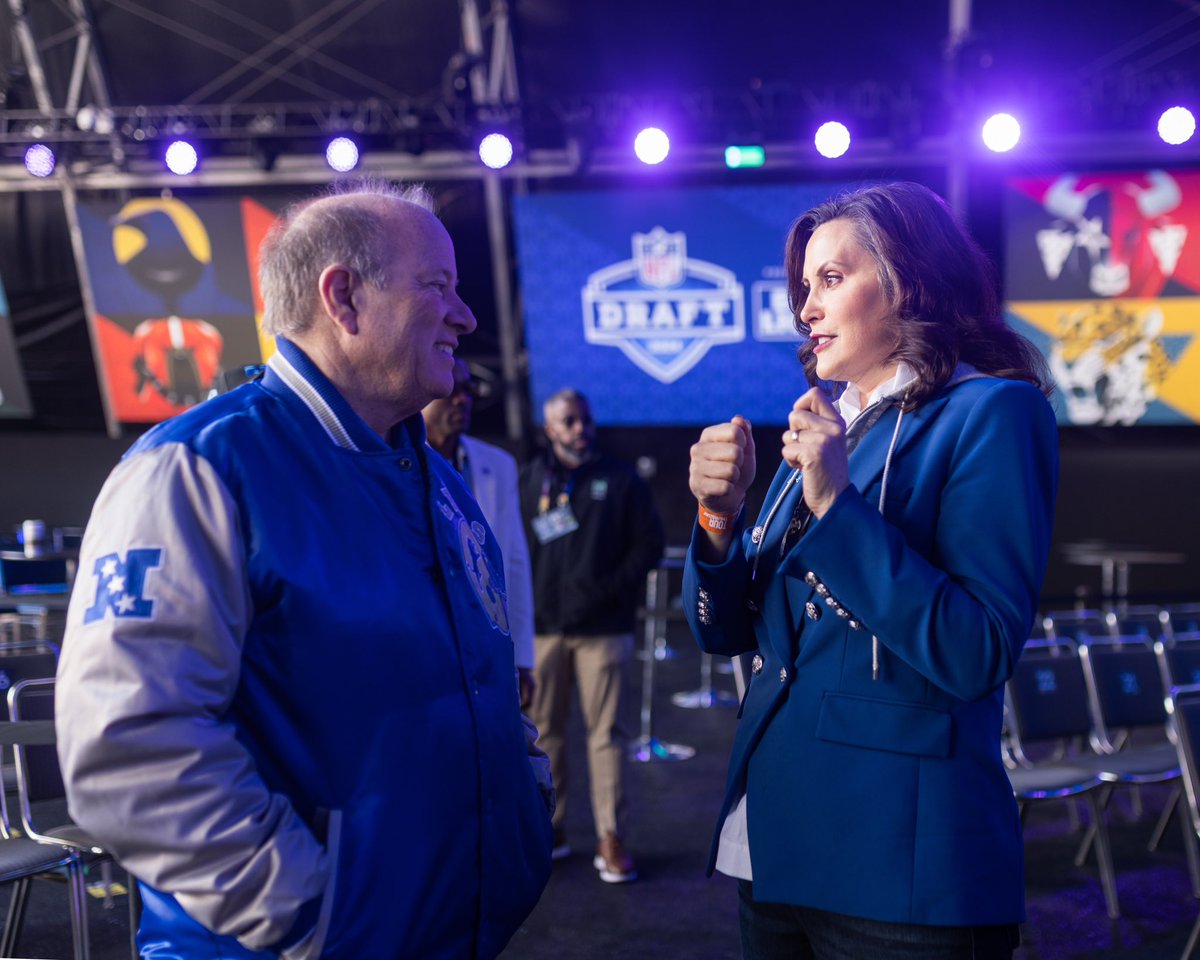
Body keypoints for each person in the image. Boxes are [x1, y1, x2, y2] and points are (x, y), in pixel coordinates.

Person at [56, 179, 554, 959]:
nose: (465, 316)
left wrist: (525, 798)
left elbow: (480, 677)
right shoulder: (197, 468)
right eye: (438, 288)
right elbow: (132, 746)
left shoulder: (440, 482)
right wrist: (310, 914)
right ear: (344, 298)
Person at [684, 181, 1058, 959]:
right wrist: (718, 517)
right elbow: (727, 636)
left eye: (830, 279)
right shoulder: (825, 422)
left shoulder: (991, 411)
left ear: (909, 283)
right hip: (775, 836)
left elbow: (977, 649)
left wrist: (834, 501)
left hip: (899, 861)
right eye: (803, 286)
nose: (805, 309)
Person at [519, 388, 664, 883]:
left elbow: (648, 545)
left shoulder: (619, 479)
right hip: (542, 631)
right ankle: (553, 828)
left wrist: (608, 593)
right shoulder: (530, 481)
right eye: (569, 421)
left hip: (603, 629)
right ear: (550, 429)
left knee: (607, 736)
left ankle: (611, 837)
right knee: (544, 736)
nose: (580, 428)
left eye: (585, 419)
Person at [423, 358, 536, 708]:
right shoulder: (392, 462)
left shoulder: (498, 464)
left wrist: (522, 657)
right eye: (453, 389)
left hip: (486, 649)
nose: (463, 399)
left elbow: (512, 563)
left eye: (469, 389)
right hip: (425, 649)